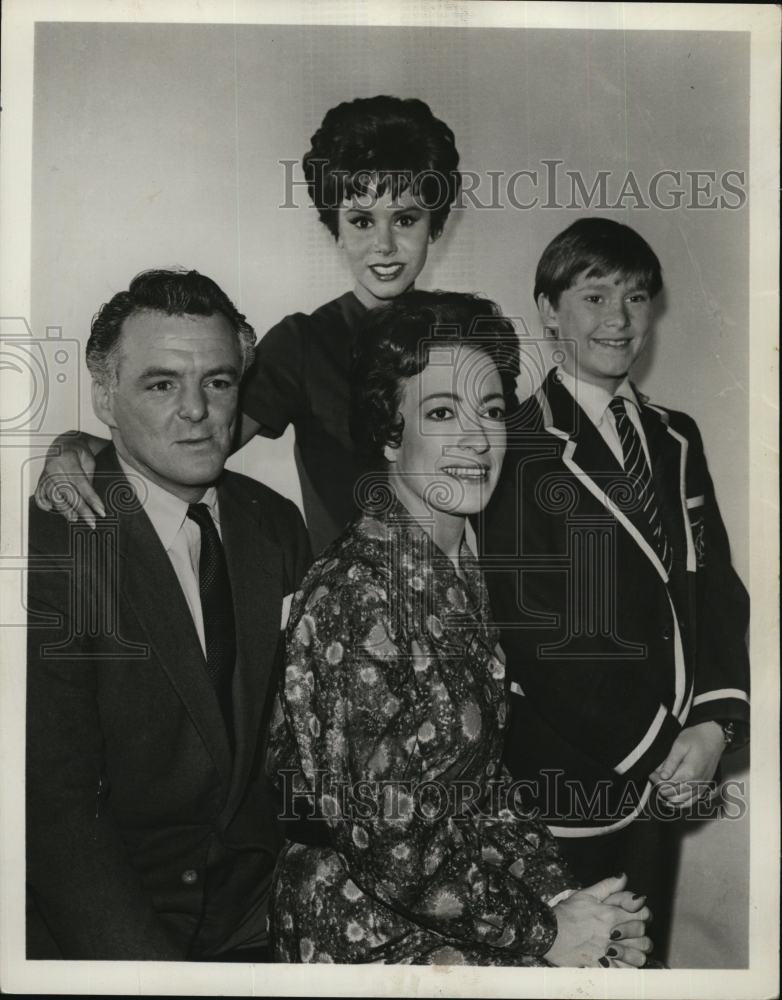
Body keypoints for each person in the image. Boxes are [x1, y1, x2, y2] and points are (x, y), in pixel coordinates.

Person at [266, 291, 652, 967]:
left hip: (456, 902)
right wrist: (549, 932)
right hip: (365, 929)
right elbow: (390, 849)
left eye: (493, 410)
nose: (477, 437)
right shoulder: (357, 596)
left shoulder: (461, 566)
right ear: (390, 434)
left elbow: (483, 784)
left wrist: (567, 902)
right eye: (442, 412)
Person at [479, 218, 751, 962]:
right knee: (580, 965)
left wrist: (714, 725)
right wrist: (663, 748)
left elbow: (714, 591)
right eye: (593, 296)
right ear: (546, 310)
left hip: (671, 773)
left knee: (645, 965)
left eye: (635, 298)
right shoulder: (519, 445)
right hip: (575, 778)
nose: (619, 319)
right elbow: (537, 637)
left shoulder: (678, 437)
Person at [34, 95, 463, 556]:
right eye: (361, 221)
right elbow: (187, 439)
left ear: (434, 226)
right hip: (355, 603)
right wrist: (74, 443)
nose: (384, 245)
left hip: (468, 586)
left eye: (405, 220)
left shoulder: (468, 332)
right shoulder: (304, 343)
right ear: (334, 228)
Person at [26, 269, 312, 960]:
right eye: (161, 384)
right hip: (119, 928)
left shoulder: (272, 523)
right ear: (104, 397)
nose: (196, 410)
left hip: (263, 913)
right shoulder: (53, 543)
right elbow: (55, 811)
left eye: (217, 381)